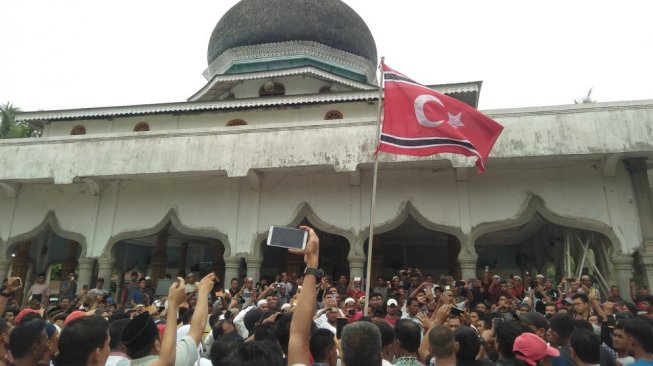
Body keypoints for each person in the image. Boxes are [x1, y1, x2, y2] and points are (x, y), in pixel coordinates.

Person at [120, 277, 188, 366]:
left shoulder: (147, 294)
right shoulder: (135, 293)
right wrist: (173, 305)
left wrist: (147, 303)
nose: (145, 284)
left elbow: (150, 307)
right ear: (157, 344)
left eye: (145, 282)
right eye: (143, 282)